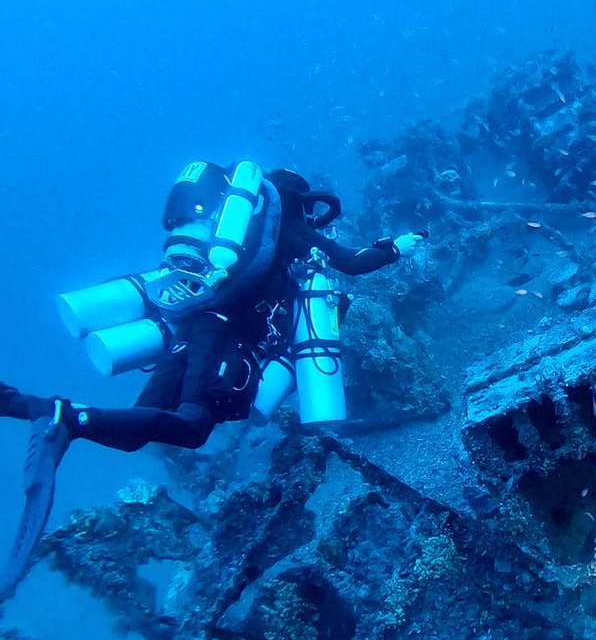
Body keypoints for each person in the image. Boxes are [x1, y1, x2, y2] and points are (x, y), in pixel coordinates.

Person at [0, 162, 423, 598]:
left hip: (188, 331)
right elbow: (352, 263)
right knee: (193, 425)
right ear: (298, 203)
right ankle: (66, 417)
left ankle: (27, 406)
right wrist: (398, 247)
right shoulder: (290, 229)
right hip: (221, 337)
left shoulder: (238, 232)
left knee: (135, 433)